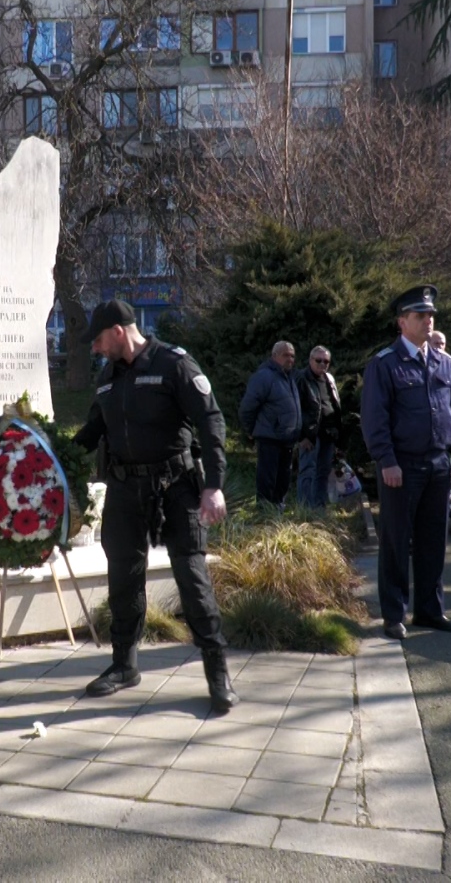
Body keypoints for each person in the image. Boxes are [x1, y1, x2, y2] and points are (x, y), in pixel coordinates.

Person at [73, 300, 238, 713]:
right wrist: (46, 454)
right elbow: (92, 431)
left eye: (98, 340)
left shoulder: (174, 364)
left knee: (192, 578)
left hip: (176, 488)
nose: (95, 348)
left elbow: (211, 422)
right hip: (124, 490)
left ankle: (217, 671)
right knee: (123, 577)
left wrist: (214, 486)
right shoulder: (108, 377)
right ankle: (124, 665)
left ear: (118, 331)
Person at [361, 285, 451, 640]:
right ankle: (394, 614)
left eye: (430, 315)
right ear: (402, 322)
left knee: (433, 541)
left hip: (438, 463)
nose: (428, 321)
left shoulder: (444, 363)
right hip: (401, 466)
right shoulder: (384, 364)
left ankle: (429, 610)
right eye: (420, 315)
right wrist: (386, 460)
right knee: (396, 541)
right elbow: (375, 418)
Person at [240, 341, 305, 508]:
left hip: (287, 440)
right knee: (267, 482)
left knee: (282, 483)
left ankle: (277, 515)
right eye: (286, 355)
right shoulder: (264, 377)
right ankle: (264, 516)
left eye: (292, 356)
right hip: (270, 439)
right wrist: (251, 430)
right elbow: (247, 407)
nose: (290, 359)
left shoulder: (289, 377)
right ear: (274, 356)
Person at [296, 346, 342, 508]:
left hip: (328, 433)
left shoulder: (329, 379)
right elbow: (296, 410)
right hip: (310, 435)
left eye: (326, 361)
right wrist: (302, 436)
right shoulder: (301, 378)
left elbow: (334, 403)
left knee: (323, 472)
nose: (322, 364)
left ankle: (319, 508)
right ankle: (304, 510)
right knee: (307, 471)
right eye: (318, 360)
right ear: (310, 360)